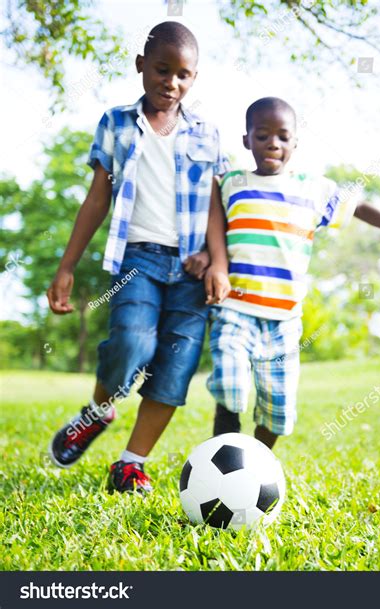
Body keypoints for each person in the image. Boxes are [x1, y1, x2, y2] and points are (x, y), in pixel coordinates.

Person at [46, 21, 229, 493]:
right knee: (131, 343)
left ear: (195, 78)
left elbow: (214, 202)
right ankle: (98, 410)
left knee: (175, 367)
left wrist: (217, 261)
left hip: (191, 269)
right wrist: (67, 265)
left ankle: (130, 464)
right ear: (141, 66)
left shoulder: (207, 133)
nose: (171, 82)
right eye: (162, 69)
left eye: (183, 74)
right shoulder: (116, 123)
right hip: (138, 260)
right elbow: (96, 199)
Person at [204, 96, 380, 450]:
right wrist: (205, 259)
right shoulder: (231, 183)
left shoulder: (312, 189)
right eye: (262, 135)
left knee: (277, 411)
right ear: (246, 140)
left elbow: (360, 208)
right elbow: (209, 224)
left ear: (295, 142)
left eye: (282, 136)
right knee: (231, 387)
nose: (273, 143)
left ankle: (256, 464)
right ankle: (225, 439)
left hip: (284, 321)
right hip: (235, 308)